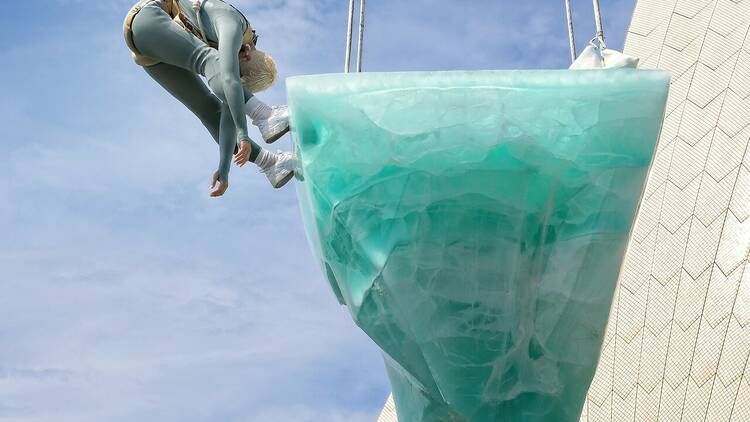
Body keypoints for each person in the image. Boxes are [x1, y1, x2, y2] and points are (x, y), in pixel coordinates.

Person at [123, 0, 293, 197]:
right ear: (247, 52)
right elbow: (228, 77)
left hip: (148, 54)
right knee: (208, 59)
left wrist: (224, 168)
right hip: (146, 18)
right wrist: (247, 130)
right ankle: (265, 113)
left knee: (208, 109)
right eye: (239, 75)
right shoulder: (233, 23)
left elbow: (226, 115)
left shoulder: (233, 60)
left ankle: (271, 164)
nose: (234, 78)